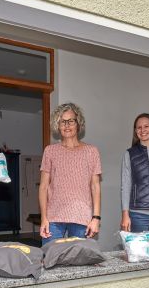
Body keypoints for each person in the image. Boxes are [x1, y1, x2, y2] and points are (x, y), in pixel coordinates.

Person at [38, 103, 102, 245]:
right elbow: (43, 187)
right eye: (62, 121)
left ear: (78, 123)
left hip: (81, 217)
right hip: (53, 218)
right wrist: (43, 218)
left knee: (78, 264)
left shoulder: (92, 151)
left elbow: (95, 186)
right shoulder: (50, 151)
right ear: (58, 125)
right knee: (50, 260)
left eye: (71, 121)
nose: (67, 125)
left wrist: (96, 218)